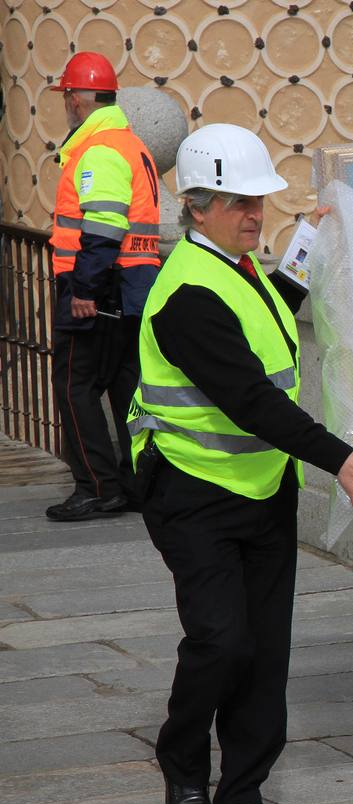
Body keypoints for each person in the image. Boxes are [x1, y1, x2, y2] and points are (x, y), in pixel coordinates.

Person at [126, 123, 353, 804]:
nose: (255, 213)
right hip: (191, 489)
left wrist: (309, 237)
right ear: (195, 207)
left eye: (259, 200)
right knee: (221, 641)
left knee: (265, 649)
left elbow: (278, 303)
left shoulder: (240, 270)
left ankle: (243, 788)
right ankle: (184, 768)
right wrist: (344, 459)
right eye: (238, 202)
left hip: (260, 486)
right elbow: (252, 400)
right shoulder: (187, 293)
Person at [45, 52, 160, 521]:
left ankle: (96, 486)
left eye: (67, 96)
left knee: (73, 386)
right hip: (130, 287)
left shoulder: (99, 150)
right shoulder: (132, 144)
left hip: (99, 286)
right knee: (122, 386)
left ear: (75, 99)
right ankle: (134, 483)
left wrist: (84, 291)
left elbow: (105, 226)